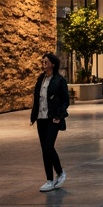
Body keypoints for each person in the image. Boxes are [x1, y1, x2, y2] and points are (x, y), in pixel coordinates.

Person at [29, 52, 69, 192]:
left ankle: (60, 172)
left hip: (53, 118)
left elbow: (65, 100)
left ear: (52, 64)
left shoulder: (59, 80)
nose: (43, 65)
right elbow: (37, 99)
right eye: (42, 62)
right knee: (44, 150)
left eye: (45, 62)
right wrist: (33, 116)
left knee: (48, 146)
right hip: (41, 118)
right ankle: (49, 180)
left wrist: (59, 114)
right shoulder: (41, 79)